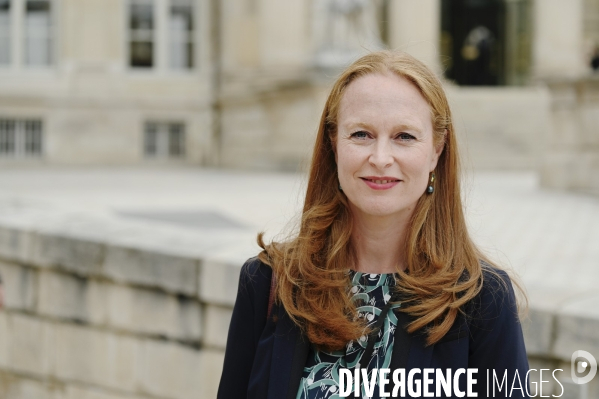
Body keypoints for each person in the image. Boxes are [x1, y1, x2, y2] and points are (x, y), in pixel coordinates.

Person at [217, 50, 529, 399]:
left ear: (436, 150)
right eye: (362, 134)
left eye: (404, 136)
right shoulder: (268, 284)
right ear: (333, 143)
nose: (380, 158)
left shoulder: (481, 300)